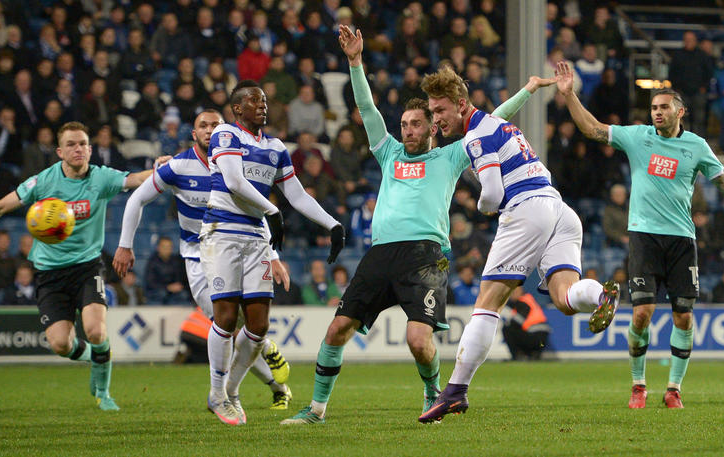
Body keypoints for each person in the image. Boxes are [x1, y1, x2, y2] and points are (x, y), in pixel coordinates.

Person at [282, 25, 548, 426]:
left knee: (418, 341)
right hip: (381, 253)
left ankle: (432, 391)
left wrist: (527, 90)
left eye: (416, 124)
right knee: (337, 329)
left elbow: (493, 120)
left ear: (432, 126)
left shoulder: (451, 155)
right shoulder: (387, 152)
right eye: (404, 124)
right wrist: (355, 62)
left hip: (426, 256)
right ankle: (317, 409)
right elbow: (367, 108)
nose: (408, 130)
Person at [554, 61, 724, 409]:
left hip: (682, 239)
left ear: (680, 111)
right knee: (641, 313)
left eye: (664, 107)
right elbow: (593, 129)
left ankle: (674, 388)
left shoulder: (696, 146)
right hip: (644, 237)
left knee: (683, 316)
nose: (657, 113)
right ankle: (638, 384)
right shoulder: (638, 137)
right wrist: (570, 95)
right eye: (653, 108)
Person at [417, 65, 620, 424]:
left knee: (488, 301)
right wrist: (527, 89)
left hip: (526, 209)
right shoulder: (494, 124)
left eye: (440, 110)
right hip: (560, 210)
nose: (436, 119)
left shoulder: (475, 136)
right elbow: (502, 115)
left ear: (460, 104)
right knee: (565, 297)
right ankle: (599, 296)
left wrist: (480, 207)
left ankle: (455, 391)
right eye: (432, 111)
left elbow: (493, 194)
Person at [0, 121, 171, 411]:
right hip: (50, 273)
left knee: (96, 331)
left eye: (83, 144)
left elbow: (137, 179)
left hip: (87, 267)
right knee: (61, 345)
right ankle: (97, 358)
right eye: (72, 145)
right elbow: (1, 206)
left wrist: (164, 169)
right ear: (60, 151)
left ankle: (104, 393)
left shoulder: (101, 178)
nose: (79, 149)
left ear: (90, 148)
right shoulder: (43, 181)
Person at [113, 110, 294, 412]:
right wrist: (124, 245)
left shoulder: (237, 165)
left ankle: (276, 386)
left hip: (239, 248)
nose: (210, 130)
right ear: (194, 133)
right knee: (231, 329)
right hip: (198, 257)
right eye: (203, 125)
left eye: (216, 125)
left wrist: (273, 255)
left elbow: (255, 212)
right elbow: (136, 199)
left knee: (240, 330)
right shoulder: (178, 166)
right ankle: (274, 377)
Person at [201, 80, 345, 426]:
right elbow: (234, 182)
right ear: (237, 108)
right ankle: (217, 392)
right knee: (224, 316)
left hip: (255, 238)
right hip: (223, 232)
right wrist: (272, 211)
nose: (262, 105)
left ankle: (229, 393)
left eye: (264, 100)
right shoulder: (225, 135)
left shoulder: (276, 146)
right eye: (254, 100)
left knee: (259, 325)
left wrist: (332, 224)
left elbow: (296, 195)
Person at [501, 288, 550, 361]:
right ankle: (534, 355)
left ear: (520, 291)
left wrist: (508, 317)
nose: (511, 296)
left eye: (513, 293)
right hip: (542, 339)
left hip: (534, 337)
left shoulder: (522, 302)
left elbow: (517, 322)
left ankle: (517, 356)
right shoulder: (529, 299)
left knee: (507, 329)